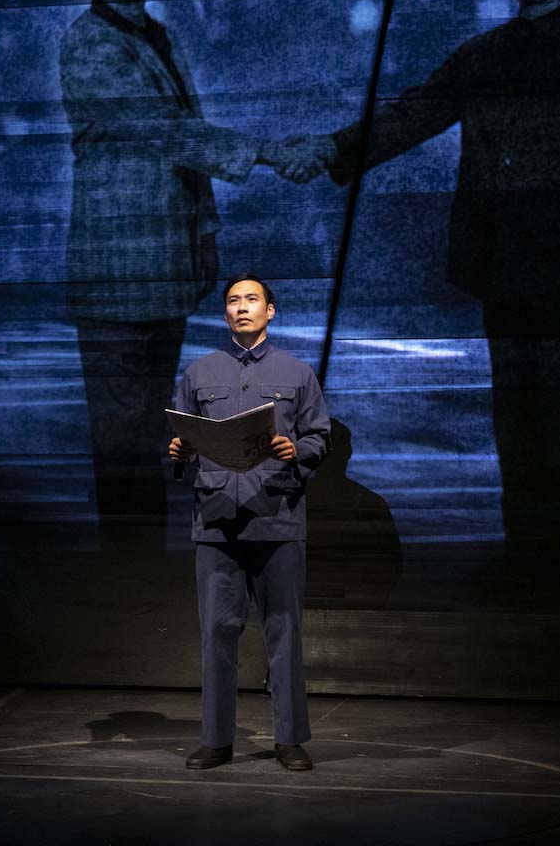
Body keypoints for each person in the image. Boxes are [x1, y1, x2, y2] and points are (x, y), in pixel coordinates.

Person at [288, 0, 560, 559]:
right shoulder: (487, 54)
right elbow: (414, 114)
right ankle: (530, 570)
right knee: (519, 433)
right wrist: (332, 147)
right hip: (506, 275)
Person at [59, 0, 313, 526]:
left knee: (148, 426)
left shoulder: (160, 35)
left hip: (163, 265)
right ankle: (126, 560)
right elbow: (168, 132)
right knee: (121, 432)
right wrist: (268, 152)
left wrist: (205, 234)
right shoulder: (89, 42)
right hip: (116, 272)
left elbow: (185, 143)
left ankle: (138, 555)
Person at [169, 274, 331, 770]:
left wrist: (294, 449)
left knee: (283, 630)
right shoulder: (200, 372)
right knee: (217, 631)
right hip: (217, 520)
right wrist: (178, 452)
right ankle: (217, 739)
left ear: (270, 311)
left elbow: (319, 437)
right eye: (234, 301)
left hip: (276, 517)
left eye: (252, 299)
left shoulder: (297, 372)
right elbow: (181, 437)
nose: (242, 307)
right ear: (225, 314)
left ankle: (289, 739)